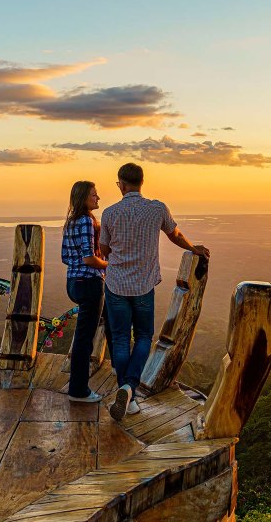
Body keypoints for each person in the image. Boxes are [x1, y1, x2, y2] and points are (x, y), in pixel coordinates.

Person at [100, 163, 210, 420]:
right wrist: (194, 249)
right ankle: (130, 390)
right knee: (143, 337)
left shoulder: (109, 213)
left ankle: (124, 390)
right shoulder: (157, 208)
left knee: (119, 339)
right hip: (143, 285)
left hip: (116, 284)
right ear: (141, 182)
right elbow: (175, 234)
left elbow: (104, 250)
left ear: (121, 184)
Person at [61, 180, 107, 402]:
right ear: (84, 198)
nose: (98, 198)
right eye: (94, 195)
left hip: (73, 282)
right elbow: (89, 258)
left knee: (85, 335)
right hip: (89, 282)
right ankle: (79, 390)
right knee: (84, 339)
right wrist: (111, 264)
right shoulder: (87, 221)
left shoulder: (70, 222)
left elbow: (65, 257)